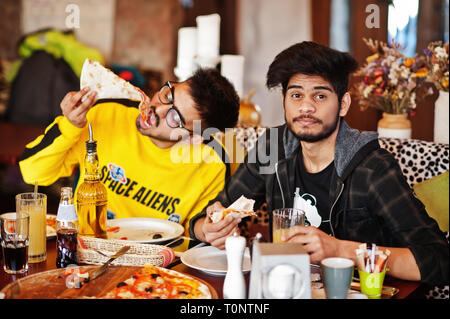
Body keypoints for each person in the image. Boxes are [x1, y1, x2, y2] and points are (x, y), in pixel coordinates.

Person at [191, 42, 449, 286]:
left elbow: (439, 260)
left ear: (343, 104)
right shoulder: (272, 148)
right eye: (296, 95)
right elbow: (210, 216)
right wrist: (209, 229)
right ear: (284, 100)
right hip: (286, 287)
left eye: (320, 96)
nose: (305, 107)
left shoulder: (373, 168)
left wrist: (341, 249)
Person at [19, 68, 240, 236]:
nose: (157, 109)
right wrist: (70, 125)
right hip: (85, 251)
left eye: (174, 118)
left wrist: (213, 229)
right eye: (168, 95)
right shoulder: (105, 115)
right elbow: (33, 174)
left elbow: (197, 225)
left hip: (158, 271)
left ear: (194, 137)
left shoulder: (212, 162)